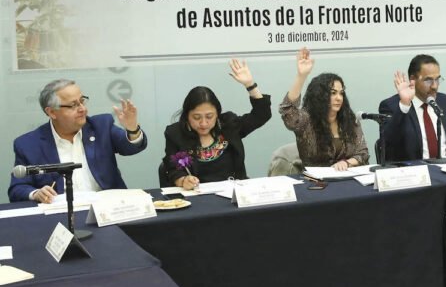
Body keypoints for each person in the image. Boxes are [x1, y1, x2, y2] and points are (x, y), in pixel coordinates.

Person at [9, 79, 147, 203]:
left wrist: (132, 129)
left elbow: (131, 147)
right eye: (73, 105)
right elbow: (17, 188)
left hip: (106, 209)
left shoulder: (101, 126)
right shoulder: (28, 144)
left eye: (82, 101)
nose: (82, 109)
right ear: (51, 112)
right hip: (60, 214)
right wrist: (36, 193)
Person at [162, 59, 272, 188]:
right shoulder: (175, 134)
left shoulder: (229, 124)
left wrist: (250, 85)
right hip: (198, 194)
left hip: (234, 192)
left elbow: (262, 115)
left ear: (217, 114)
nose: (203, 123)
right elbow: (172, 169)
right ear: (187, 116)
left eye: (209, 116)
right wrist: (183, 180)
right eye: (196, 117)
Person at [280, 48, 369, 170]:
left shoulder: (350, 120)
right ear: (320, 95)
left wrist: (346, 163)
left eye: (341, 93)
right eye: (333, 93)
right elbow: (288, 110)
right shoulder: (306, 120)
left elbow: (362, 153)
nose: (339, 98)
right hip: (315, 179)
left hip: (346, 176)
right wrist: (301, 76)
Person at [378, 54, 446, 162]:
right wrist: (404, 105)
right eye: (428, 80)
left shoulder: (445, 101)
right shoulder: (392, 106)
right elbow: (387, 143)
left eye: (437, 79)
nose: (434, 86)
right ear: (413, 79)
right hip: (414, 169)